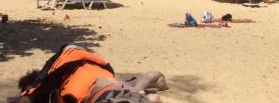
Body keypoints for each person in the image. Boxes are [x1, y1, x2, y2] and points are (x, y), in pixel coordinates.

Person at [17, 44, 167, 103]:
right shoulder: (78, 64)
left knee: (136, 92)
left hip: (104, 92)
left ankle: (150, 81)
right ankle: (151, 79)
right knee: (133, 90)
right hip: (106, 84)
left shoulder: (59, 86)